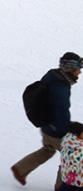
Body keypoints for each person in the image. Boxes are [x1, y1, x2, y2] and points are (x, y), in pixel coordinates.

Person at [11, 52, 82, 187]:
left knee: (47, 149)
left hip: (45, 126)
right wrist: (69, 129)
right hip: (57, 130)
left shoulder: (52, 75)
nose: (79, 72)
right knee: (70, 157)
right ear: (70, 68)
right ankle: (62, 187)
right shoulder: (61, 87)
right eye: (78, 68)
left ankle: (20, 169)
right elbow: (61, 111)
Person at [59, 121, 83, 189]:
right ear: (76, 134)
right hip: (78, 176)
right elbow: (74, 161)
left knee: (67, 187)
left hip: (67, 173)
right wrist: (72, 173)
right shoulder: (78, 148)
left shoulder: (67, 143)